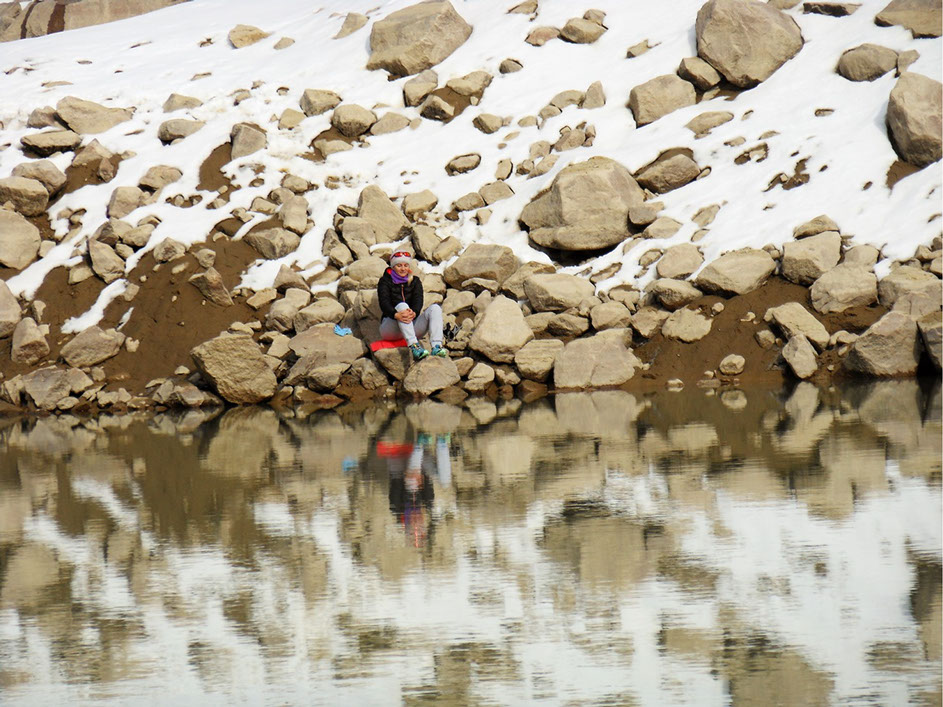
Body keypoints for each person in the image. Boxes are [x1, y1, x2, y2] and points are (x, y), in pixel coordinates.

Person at [377, 250, 447, 360]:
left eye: (405, 265)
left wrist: (414, 312)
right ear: (393, 267)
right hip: (391, 328)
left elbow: (418, 301)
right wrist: (396, 315)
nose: (403, 269)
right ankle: (414, 346)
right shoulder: (385, 281)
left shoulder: (415, 281)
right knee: (402, 306)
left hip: (412, 325)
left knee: (435, 308)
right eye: (399, 265)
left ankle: (436, 346)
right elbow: (384, 303)